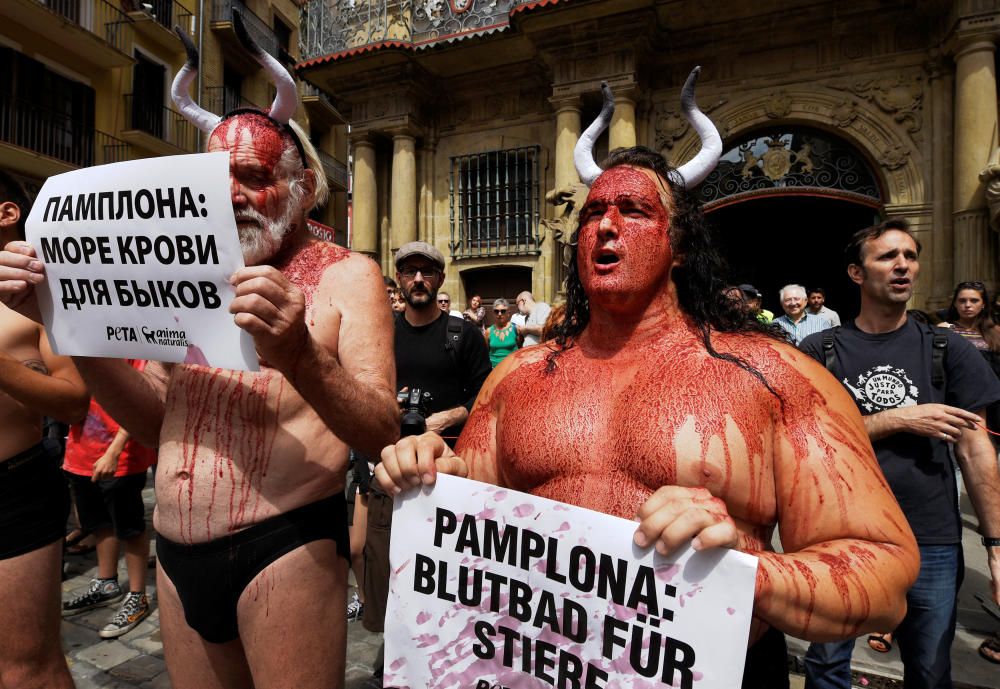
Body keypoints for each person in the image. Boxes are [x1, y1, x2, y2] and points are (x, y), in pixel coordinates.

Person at [377, 133, 918, 688]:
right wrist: (434, 474)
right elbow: (474, 517)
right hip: (534, 667)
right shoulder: (515, 379)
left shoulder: (775, 378)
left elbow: (884, 571)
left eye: (633, 210)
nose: (605, 227)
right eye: (592, 214)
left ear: (678, 243)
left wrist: (741, 573)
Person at [0, 25, 398, 689]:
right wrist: (65, 325)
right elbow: (158, 423)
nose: (234, 194)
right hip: (177, 550)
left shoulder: (346, 274)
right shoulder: (182, 274)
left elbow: (381, 430)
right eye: (220, 179)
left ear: (301, 187)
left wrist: (300, 354)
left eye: (254, 176)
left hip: (285, 544)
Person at [800, 219, 1000, 689]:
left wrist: (995, 546)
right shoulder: (819, 350)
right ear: (856, 272)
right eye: (887, 257)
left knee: (930, 670)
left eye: (909, 256)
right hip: (842, 536)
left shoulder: (948, 349)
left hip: (931, 538)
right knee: (827, 668)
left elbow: (976, 452)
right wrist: (896, 419)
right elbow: (805, 440)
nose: (903, 266)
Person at [362, 240, 491, 685]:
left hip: (445, 476)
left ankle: (445, 654)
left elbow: (489, 397)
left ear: (439, 279)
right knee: (383, 564)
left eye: (427, 272)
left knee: (441, 572)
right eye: (410, 271)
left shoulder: (463, 334)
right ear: (399, 279)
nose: (418, 279)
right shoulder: (381, 332)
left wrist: (455, 413)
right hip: (387, 472)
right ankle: (393, 655)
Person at [0, 170, 89, 689]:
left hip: (14, 490)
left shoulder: (39, 293)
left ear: (8, 213)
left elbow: (76, 400)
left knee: (26, 667)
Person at [61, 359, 156, 639]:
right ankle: (106, 582)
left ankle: (138, 596)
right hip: (81, 452)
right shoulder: (78, 343)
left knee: (130, 526)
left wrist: (115, 451)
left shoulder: (126, 342)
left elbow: (141, 395)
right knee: (100, 524)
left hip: (121, 456)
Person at [485, 298, 518, 367]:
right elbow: (485, 351)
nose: (499, 314)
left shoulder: (516, 329)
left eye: (503, 311)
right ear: (493, 313)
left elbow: (521, 348)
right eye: (496, 311)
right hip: (493, 369)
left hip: (511, 369)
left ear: (508, 313)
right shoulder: (488, 331)